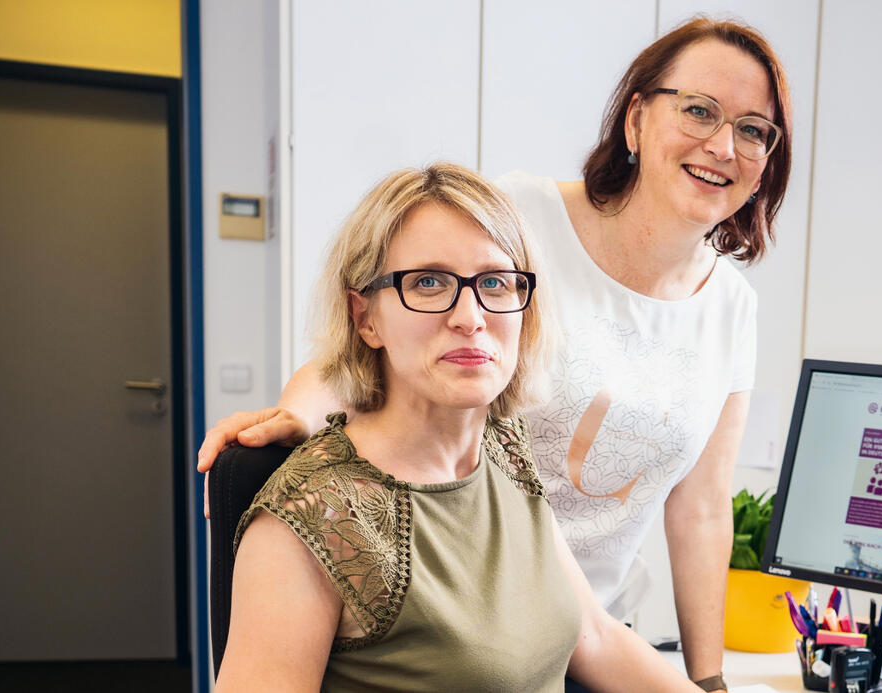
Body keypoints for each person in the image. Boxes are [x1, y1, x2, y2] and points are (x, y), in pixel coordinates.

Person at [200, 17, 793, 690]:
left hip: (568, 621)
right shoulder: (512, 218)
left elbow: (691, 522)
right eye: (698, 110)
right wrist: (295, 416)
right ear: (636, 120)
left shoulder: (508, 454)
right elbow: (354, 359)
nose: (470, 315)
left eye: (751, 128)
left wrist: (708, 679)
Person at [215, 163, 696, 692]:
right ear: (364, 318)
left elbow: (597, 639)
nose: (470, 316)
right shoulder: (309, 521)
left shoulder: (504, 447)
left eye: (493, 281)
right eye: (428, 282)